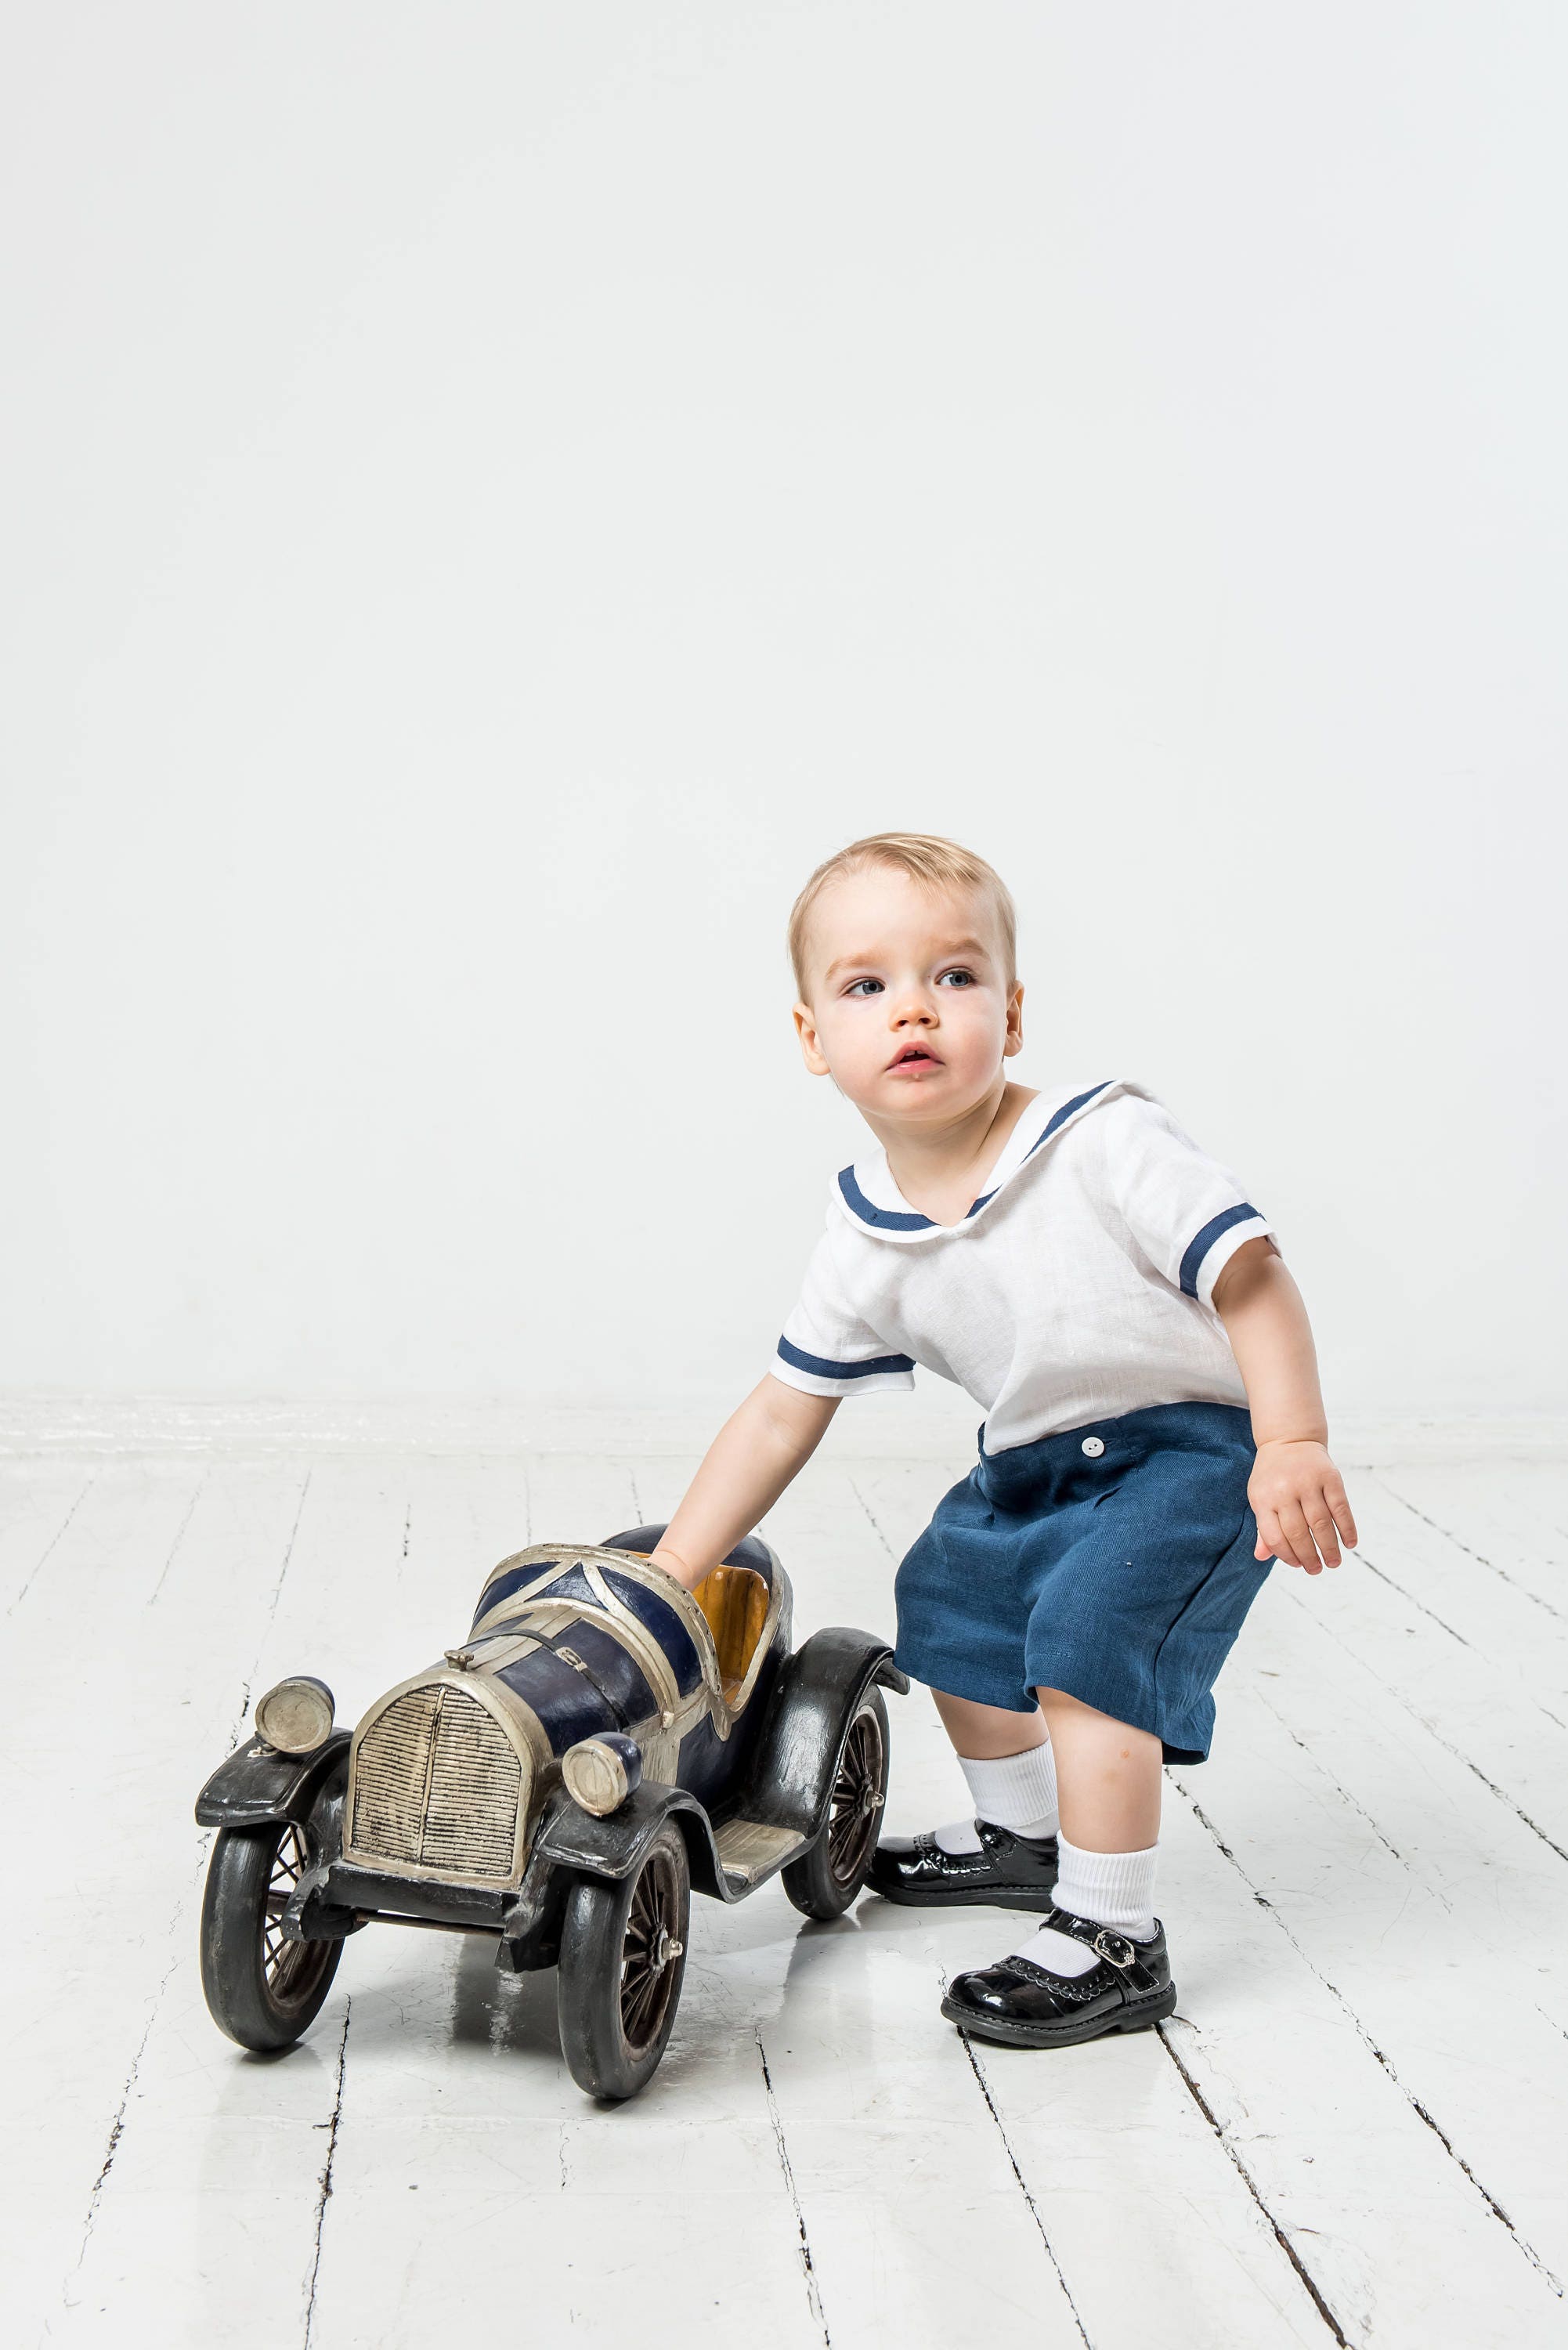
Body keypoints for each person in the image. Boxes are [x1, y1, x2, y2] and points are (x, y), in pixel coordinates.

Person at [647, 832, 1357, 2051]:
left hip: (1190, 1452)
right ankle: (1025, 1838)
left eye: (955, 977)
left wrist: (1288, 1439)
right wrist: (671, 1574)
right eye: (866, 986)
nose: (914, 1008)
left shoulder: (1102, 1142)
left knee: (1085, 1647)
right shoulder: (864, 1238)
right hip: (1033, 1464)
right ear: (816, 1040)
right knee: (949, 1607)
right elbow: (779, 1412)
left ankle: (1112, 1934)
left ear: (1012, 1013)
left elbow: (1251, 1278)